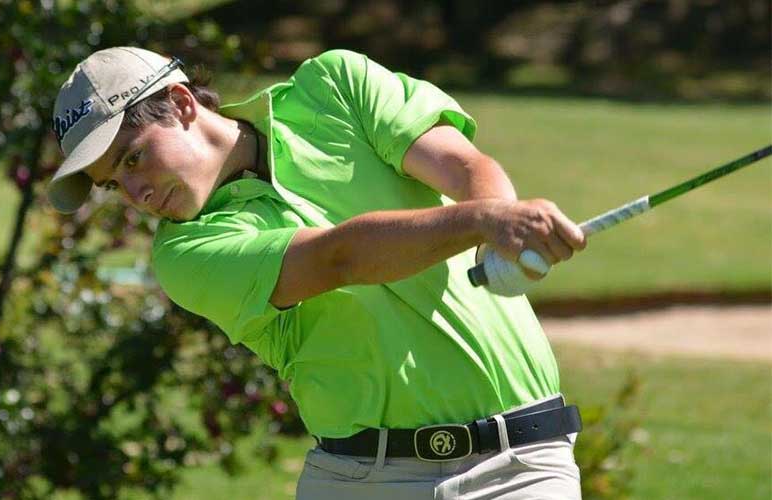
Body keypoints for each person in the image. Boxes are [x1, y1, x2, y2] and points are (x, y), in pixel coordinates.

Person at [48, 46, 587, 499]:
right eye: (113, 183)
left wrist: (499, 232)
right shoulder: (185, 252)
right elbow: (338, 258)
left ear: (182, 103)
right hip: (363, 481)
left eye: (134, 158)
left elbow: (463, 166)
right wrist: (485, 222)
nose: (136, 194)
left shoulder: (335, 86)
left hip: (523, 468)